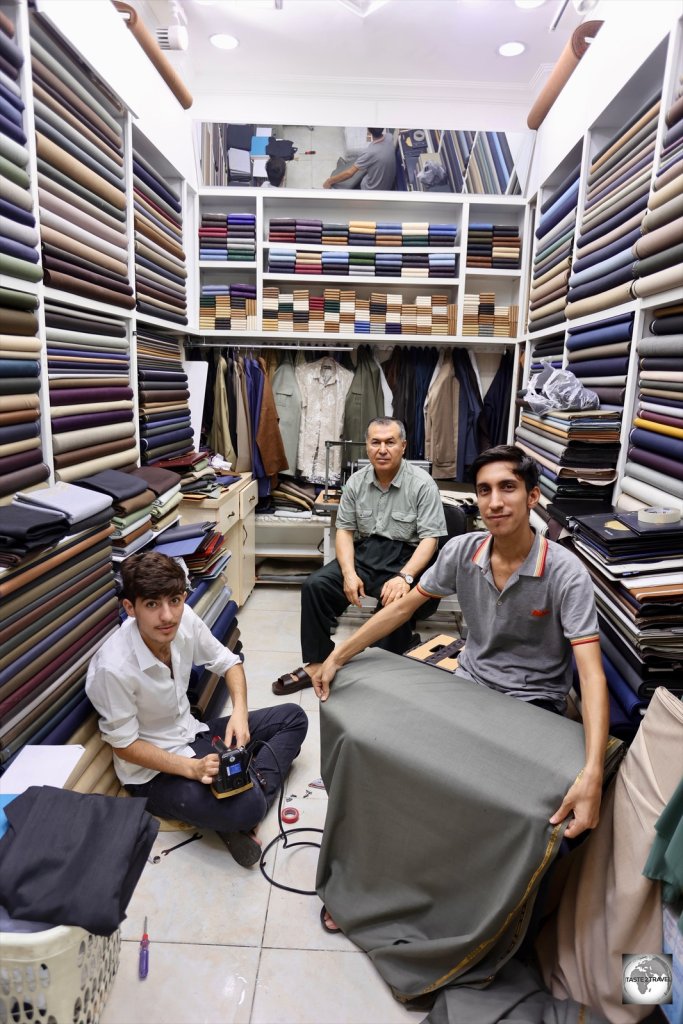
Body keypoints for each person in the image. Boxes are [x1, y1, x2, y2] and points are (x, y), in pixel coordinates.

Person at [314, 444, 609, 841]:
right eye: (484, 491)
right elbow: (403, 609)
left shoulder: (565, 572)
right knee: (386, 745)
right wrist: (338, 655)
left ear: (533, 496)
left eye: (508, 487)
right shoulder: (462, 550)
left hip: (532, 701)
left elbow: (591, 677)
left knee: (501, 803)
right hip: (469, 682)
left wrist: (593, 773)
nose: (495, 502)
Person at [86, 552, 308, 867]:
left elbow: (230, 663)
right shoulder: (113, 668)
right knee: (250, 806)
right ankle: (245, 799)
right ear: (130, 608)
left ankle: (237, 797)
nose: (167, 616)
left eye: (174, 600)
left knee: (293, 718)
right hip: (153, 773)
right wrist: (191, 769)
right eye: (152, 604)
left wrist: (240, 713)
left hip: (193, 733)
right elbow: (125, 746)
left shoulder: (184, 618)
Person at [272, 417, 447, 696]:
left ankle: (383, 664)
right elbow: (344, 531)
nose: (382, 449)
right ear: (366, 446)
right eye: (375, 442)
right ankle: (318, 662)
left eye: (390, 442)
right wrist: (349, 573)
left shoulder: (422, 484)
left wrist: (405, 577)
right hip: (367, 554)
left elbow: (430, 539)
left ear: (403, 446)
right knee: (316, 586)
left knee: (394, 604)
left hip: (407, 558)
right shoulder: (356, 482)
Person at [323, 128, 396, 191]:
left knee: (357, 164)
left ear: (369, 131)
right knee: (362, 162)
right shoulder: (389, 137)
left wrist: (329, 181)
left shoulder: (369, 153)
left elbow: (349, 173)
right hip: (388, 185)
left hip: (371, 189)